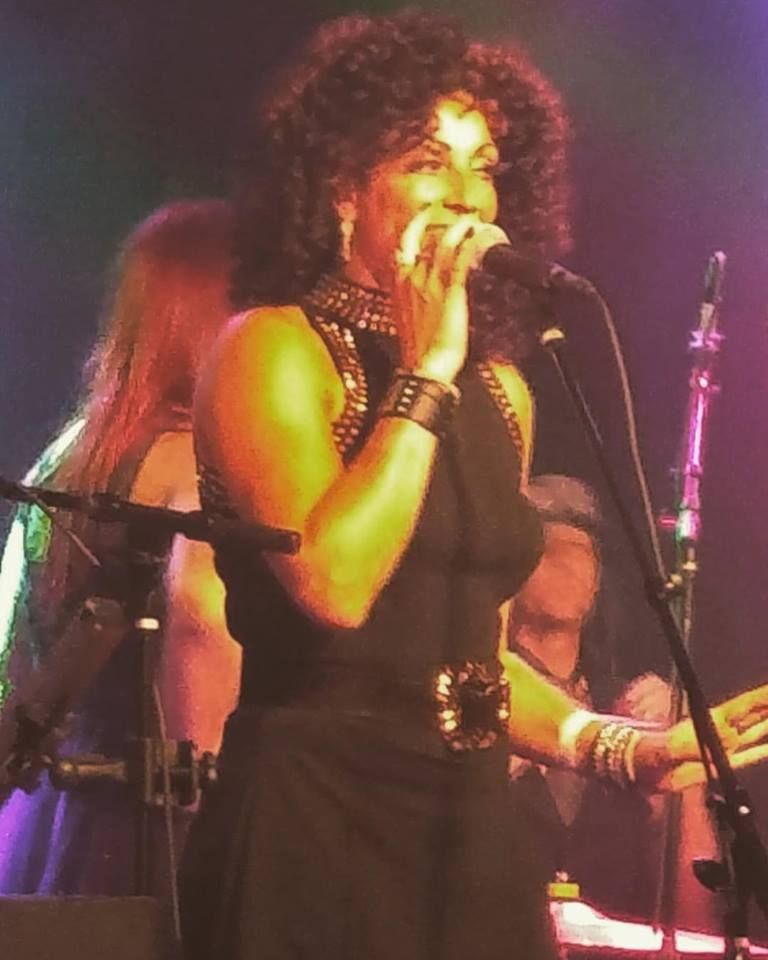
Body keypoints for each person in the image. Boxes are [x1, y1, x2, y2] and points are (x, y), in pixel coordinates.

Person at [179, 12, 768, 960]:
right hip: (314, 815)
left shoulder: (499, 388)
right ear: (341, 187)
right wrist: (423, 370)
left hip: (468, 827)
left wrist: (620, 747)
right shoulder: (272, 348)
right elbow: (335, 584)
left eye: (483, 166)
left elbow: (475, 657)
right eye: (428, 160)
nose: (465, 193)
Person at [0, 199, 241, 902]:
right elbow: (202, 668)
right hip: (154, 838)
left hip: (53, 817)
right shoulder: (196, 467)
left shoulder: (70, 456)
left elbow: (16, 652)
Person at [506, 474, 671, 918]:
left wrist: (670, 784)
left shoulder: (630, 707)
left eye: (582, 550)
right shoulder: (477, 692)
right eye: (548, 546)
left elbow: (688, 909)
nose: (567, 563)